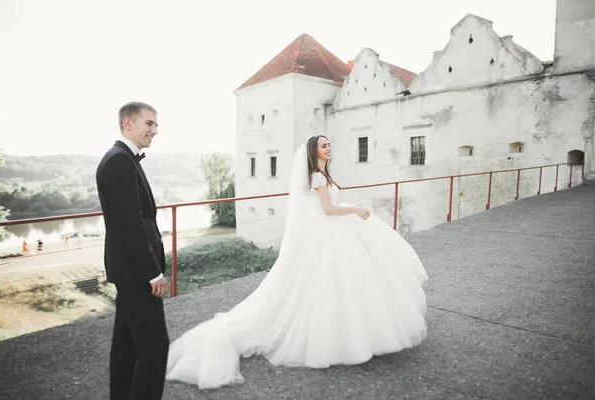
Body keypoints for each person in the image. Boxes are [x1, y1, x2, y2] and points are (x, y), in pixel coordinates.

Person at [166, 135, 428, 389]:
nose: (328, 148)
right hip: (331, 230)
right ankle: (340, 338)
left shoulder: (323, 175)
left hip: (334, 231)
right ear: (313, 151)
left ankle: (348, 335)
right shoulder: (317, 176)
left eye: (329, 144)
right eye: (323, 145)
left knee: (342, 283)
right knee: (334, 283)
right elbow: (328, 209)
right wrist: (357, 210)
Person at [96, 102, 169, 400]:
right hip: (136, 272)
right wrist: (153, 273)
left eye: (156, 125)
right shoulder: (119, 161)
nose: (155, 130)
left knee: (125, 347)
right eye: (148, 123)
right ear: (128, 123)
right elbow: (130, 225)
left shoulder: (122, 158)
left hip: (127, 270)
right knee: (155, 349)